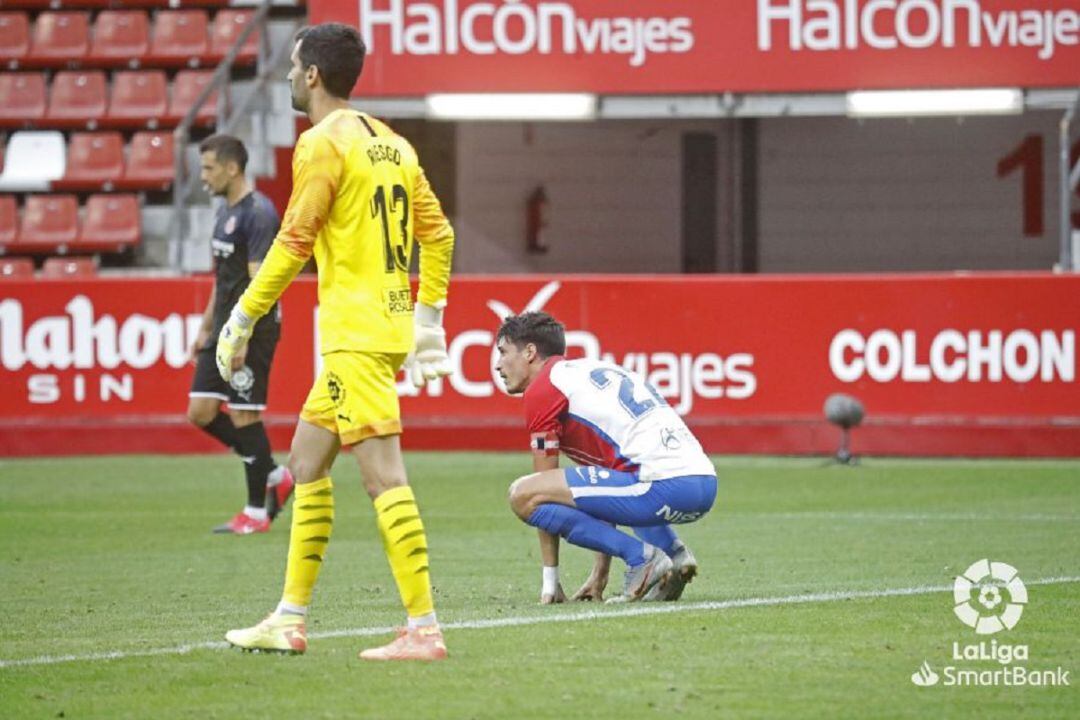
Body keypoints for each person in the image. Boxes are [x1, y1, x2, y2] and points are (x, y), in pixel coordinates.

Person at [215, 23, 455, 661]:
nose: (290, 76)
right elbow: (440, 236)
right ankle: (289, 618)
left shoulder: (323, 143)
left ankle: (424, 629)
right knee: (306, 463)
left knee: (383, 478)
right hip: (383, 328)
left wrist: (242, 316)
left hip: (354, 335)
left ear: (313, 75)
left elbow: (294, 242)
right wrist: (427, 321)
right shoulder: (392, 142)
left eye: (294, 67)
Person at [496, 312, 716, 604]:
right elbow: (602, 486)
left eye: (503, 352)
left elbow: (542, 489)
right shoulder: (590, 370)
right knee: (619, 483)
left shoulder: (543, 390)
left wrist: (551, 581)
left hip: (660, 486)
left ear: (530, 352)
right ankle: (673, 555)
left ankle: (643, 559)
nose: (498, 365)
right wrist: (599, 575)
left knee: (522, 494)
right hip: (702, 485)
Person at [187, 134, 294, 535]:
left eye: (209, 168)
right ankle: (273, 473)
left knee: (246, 414)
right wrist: (206, 326)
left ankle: (255, 512)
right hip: (224, 328)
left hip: (253, 328)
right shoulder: (224, 212)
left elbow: (259, 281)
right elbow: (223, 278)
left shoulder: (260, 214)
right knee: (201, 411)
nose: (203, 177)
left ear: (233, 168)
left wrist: (243, 336)